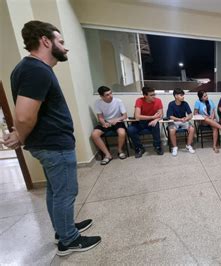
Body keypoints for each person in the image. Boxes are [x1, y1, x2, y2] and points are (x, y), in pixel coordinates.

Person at [1, 20, 100, 256]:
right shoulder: (36, 70)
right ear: (46, 41)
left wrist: (22, 135)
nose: (65, 48)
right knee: (65, 192)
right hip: (53, 144)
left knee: (56, 191)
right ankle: (69, 240)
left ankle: (62, 229)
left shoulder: (28, 68)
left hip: (48, 143)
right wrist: (19, 136)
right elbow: (24, 116)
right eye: (61, 42)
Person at [91, 86, 128, 165]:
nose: (110, 95)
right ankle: (107, 155)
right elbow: (100, 117)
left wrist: (116, 120)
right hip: (106, 122)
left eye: (111, 93)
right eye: (107, 94)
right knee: (94, 134)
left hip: (117, 121)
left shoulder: (118, 101)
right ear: (101, 96)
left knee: (122, 133)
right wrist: (104, 123)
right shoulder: (98, 103)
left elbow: (125, 116)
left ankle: (120, 151)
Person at [127, 86, 164, 158]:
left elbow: (161, 114)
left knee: (155, 125)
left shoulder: (158, 100)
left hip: (151, 121)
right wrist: (153, 117)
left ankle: (157, 146)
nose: (154, 96)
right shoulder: (139, 100)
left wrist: (155, 120)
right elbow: (137, 116)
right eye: (151, 95)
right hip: (140, 122)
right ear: (145, 96)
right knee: (130, 129)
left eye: (154, 94)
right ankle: (139, 148)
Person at [167, 88, 195, 156]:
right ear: (176, 96)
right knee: (171, 130)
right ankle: (175, 147)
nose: (183, 97)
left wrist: (186, 118)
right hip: (175, 121)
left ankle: (188, 145)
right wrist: (179, 119)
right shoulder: (171, 104)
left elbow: (190, 114)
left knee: (192, 129)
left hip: (183, 121)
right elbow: (170, 116)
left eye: (183, 95)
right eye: (181, 95)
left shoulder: (185, 103)